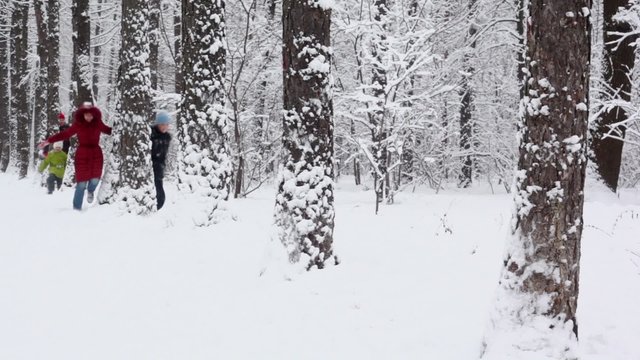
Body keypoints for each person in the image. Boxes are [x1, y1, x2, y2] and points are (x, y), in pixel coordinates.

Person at [38, 104, 112, 211]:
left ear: (94, 115)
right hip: (82, 154)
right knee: (81, 183)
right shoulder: (78, 124)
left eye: (91, 115)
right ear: (83, 115)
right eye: (86, 115)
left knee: (95, 179)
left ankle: (90, 191)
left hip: (96, 154)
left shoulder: (97, 123)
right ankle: (76, 209)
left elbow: (108, 130)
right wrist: (48, 141)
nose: (89, 117)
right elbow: (65, 134)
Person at [151, 111, 172, 210]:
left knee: (161, 195)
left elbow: (163, 154)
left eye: (166, 124)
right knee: (156, 193)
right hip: (151, 167)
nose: (164, 127)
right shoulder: (152, 134)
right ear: (158, 124)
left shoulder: (167, 137)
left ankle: (156, 210)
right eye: (162, 124)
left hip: (159, 168)